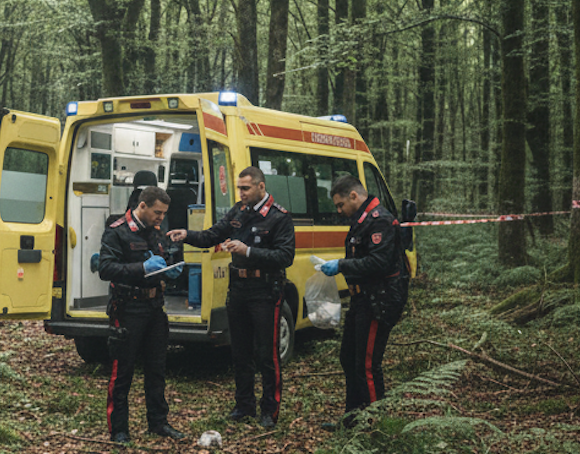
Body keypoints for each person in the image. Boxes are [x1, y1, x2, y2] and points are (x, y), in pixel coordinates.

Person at [167, 166, 295, 429]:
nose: (241, 193)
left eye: (246, 188)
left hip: (264, 290)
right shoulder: (238, 211)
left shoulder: (279, 217)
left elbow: (285, 256)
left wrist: (248, 251)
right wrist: (187, 235)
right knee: (240, 351)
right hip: (238, 289)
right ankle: (244, 405)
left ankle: (270, 410)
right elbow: (212, 235)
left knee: (266, 354)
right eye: (239, 188)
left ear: (261, 187)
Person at [316, 174, 410, 429]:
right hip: (361, 299)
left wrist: (342, 265)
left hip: (379, 300)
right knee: (348, 358)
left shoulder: (381, 221)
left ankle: (374, 425)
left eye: (340, 205)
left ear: (354, 196)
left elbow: (378, 263)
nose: (339, 210)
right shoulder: (361, 221)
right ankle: (352, 419)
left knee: (367, 364)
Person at [98, 186, 186, 444]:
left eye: (164, 214)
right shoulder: (117, 231)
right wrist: (142, 267)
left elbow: (164, 257)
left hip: (154, 308)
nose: (161, 218)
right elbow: (105, 268)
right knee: (122, 370)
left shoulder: (155, 234)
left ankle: (158, 422)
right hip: (127, 308)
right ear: (143, 205)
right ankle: (119, 429)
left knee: (157, 368)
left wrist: (169, 270)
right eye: (157, 213)